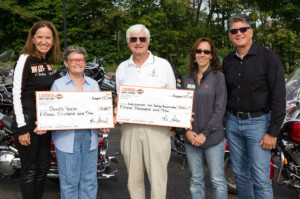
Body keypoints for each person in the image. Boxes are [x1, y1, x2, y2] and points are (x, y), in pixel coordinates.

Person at [222, 14, 286, 199]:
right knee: (240, 175)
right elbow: (224, 94)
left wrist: (273, 132)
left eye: (243, 29)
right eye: (234, 31)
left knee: (260, 179)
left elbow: (279, 96)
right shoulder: (228, 61)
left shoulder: (268, 57)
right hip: (233, 123)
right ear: (229, 35)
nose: (239, 33)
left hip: (259, 124)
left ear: (251, 31)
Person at [115, 24, 176, 199]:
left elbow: (174, 97)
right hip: (130, 129)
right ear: (128, 42)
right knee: (133, 180)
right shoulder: (122, 68)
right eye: (133, 39)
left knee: (158, 179)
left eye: (142, 38)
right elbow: (120, 98)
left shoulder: (163, 65)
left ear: (148, 41)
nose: (138, 42)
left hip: (157, 130)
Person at [12, 20, 61, 199]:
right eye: (39, 37)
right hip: (28, 121)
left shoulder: (48, 61)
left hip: (44, 122)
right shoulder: (25, 58)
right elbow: (16, 94)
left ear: (53, 40)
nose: (44, 41)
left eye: (48, 37)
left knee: (43, 168)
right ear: (32, 39)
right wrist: (22, 128)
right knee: (30, 170)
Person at [50, 46, 102, 199]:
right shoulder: (58, 85)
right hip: (66, 138)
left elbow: (100, 110)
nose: (78, 63)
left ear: (85, 62)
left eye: (81, 60)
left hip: (90, 137)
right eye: (73, 60)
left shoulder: (93, 85)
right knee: (69, 181)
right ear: (66, 63)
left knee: (89, 180)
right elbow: (51, 111)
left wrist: (104, 123)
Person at [182, 37, 228, 199]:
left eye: (206, 51)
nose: (202, 54)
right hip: (191, 139)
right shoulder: (186, 78)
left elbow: (220, 109)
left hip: (213, 139)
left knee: (217, 180)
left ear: (211, 55)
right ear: (194, 54)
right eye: (199, 51)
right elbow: (181, 109)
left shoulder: (218, 77)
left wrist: (204, 134)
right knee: (196, 180)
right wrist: (186, 131)